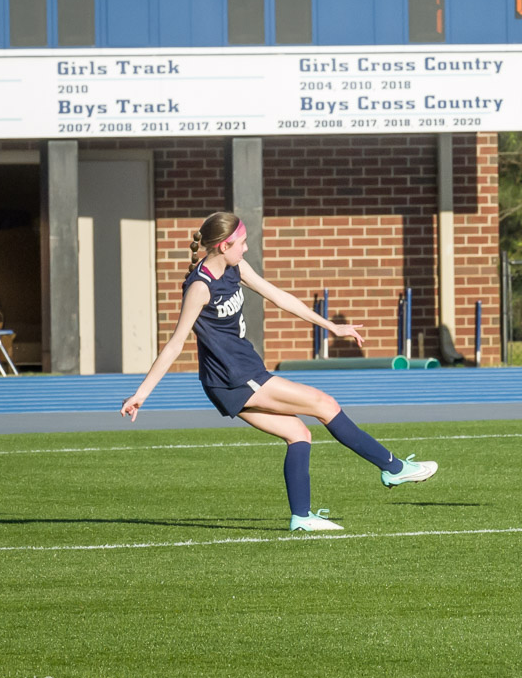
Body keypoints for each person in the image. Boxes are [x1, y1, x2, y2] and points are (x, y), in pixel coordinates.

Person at [120, 212, 437, 532]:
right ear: (224, 244)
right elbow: (175, 344)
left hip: (235, 377)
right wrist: (141, 394)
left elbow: (279, 297)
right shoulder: (200, 288)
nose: (245, 248)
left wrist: (331, 327)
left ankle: (301, 517)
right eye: (242, 243)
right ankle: (393, 468)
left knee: (298, 433)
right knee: (325, 404)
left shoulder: (236, 268)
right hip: (235, 377)